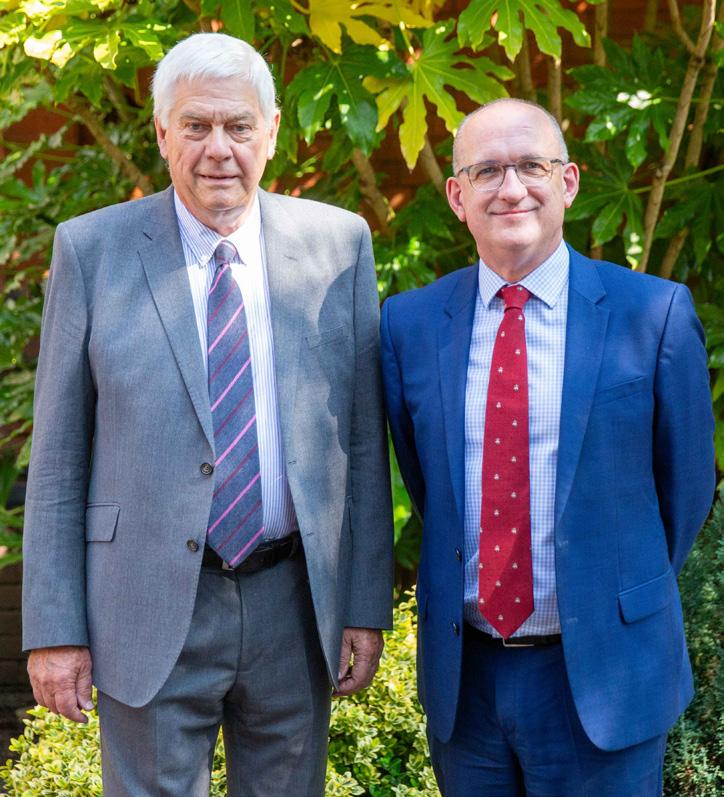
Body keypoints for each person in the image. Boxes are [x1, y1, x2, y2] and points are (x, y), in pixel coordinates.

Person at [22, 32, 393, 797]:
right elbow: (58, 458)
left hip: (293, 603)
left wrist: (363, 603)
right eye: (196, 126)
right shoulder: (92, 251)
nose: (218, 148)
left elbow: (361, 443)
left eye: (237, 126)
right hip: (147, 602)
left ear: (272, 132)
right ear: (163, 133)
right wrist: (55, 629)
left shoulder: (338, 245)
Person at [380, 98, 715, 796]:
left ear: (567, 182)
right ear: (457, 197)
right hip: (467, 684)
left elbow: (684, 492)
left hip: (604, 675)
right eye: (487, 171)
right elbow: (428, 482)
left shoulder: (652, 313)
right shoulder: (409, 324)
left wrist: (609, 588)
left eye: (531, 166)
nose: (512, 189)